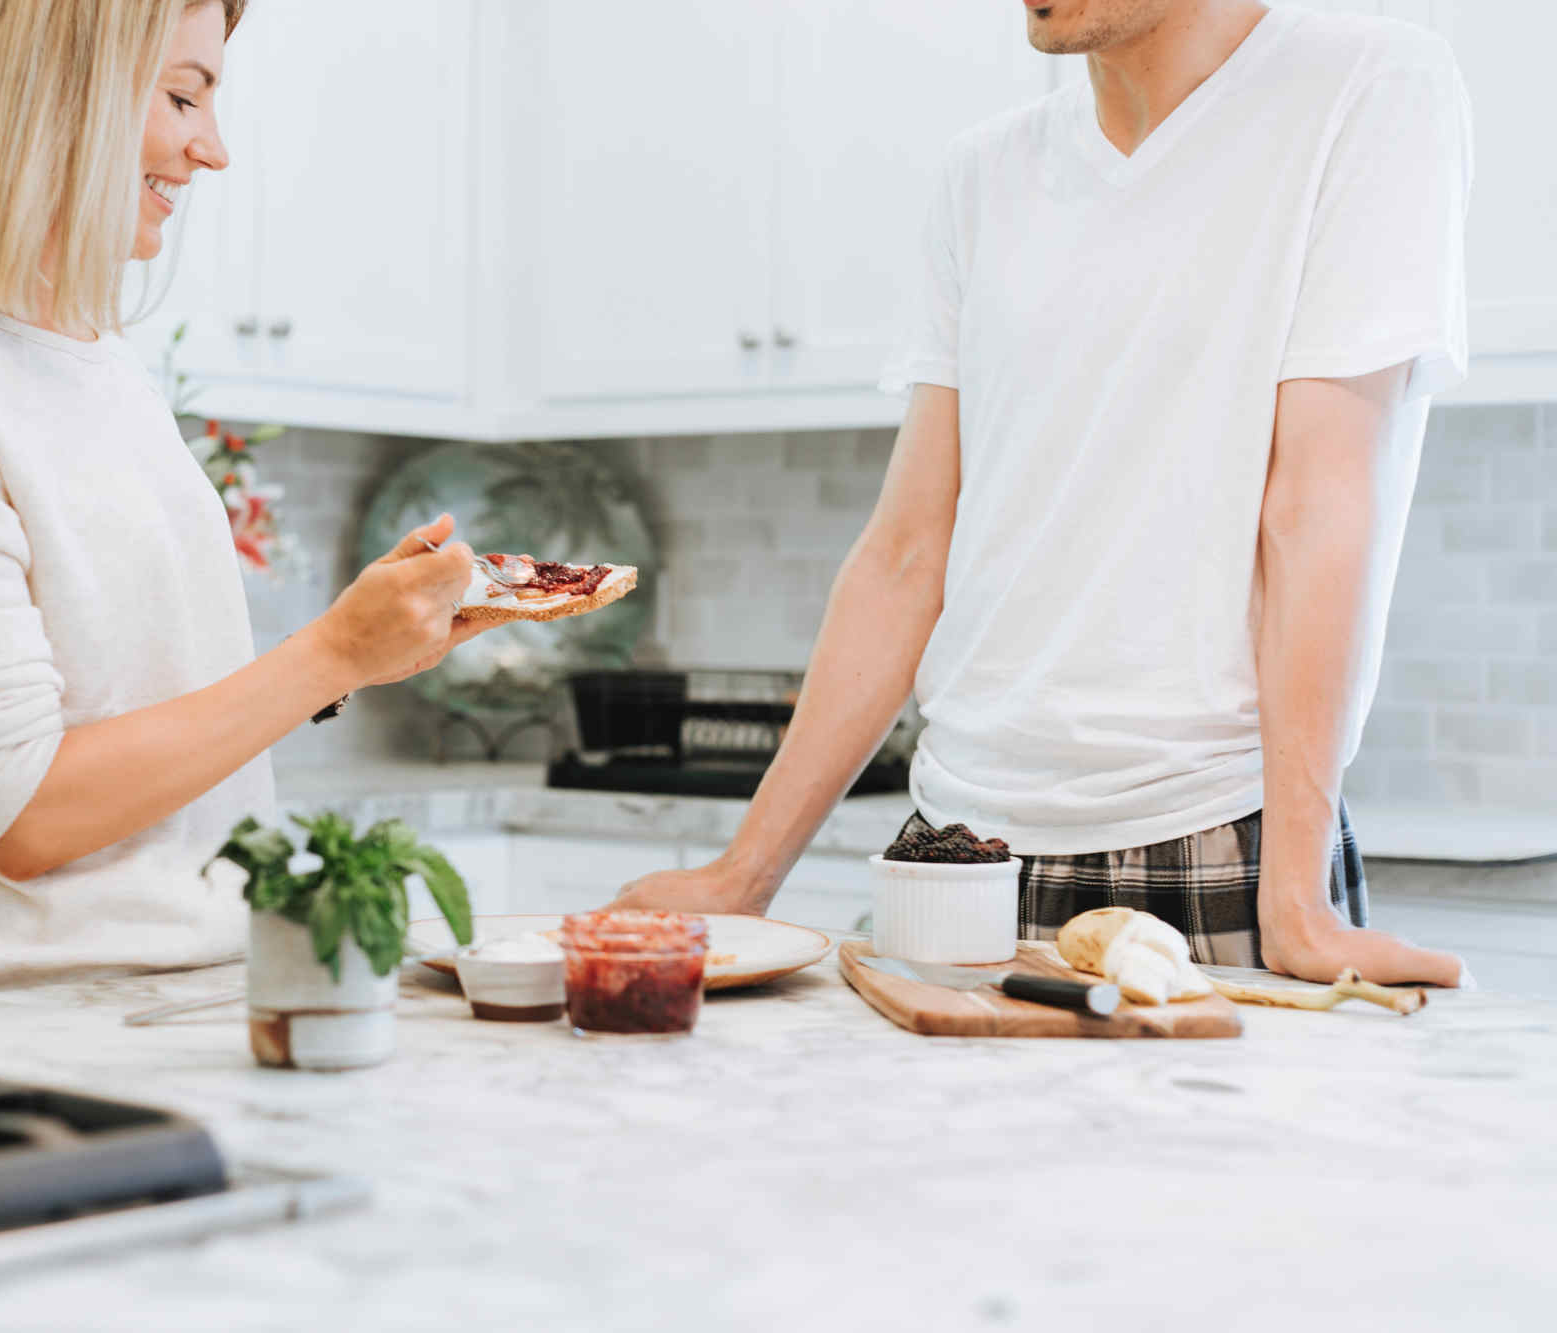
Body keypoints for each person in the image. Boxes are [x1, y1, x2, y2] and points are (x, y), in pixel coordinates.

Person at [617, 0, 1471, 987]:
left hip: (1204, 839)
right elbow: (904, 554)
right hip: (950, 847)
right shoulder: (981, 178)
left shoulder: (1363, 88)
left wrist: (1293, 903)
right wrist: (741, 874)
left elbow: (1314, 510)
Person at [0, 0, 483, 1006]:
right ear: (48, 93)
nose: (208, 149)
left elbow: (145, 710)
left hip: (176, 1001)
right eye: (180, 96)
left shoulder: (102, 367)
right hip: (6, 1034)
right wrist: (330, 652)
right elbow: (20, 816)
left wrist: (366, 646)